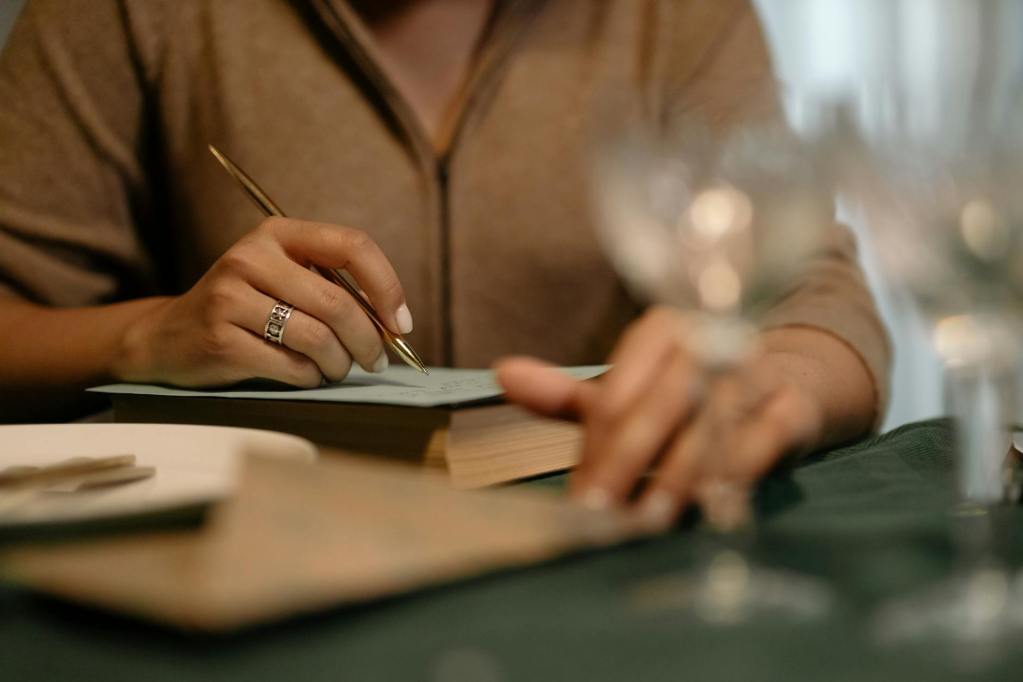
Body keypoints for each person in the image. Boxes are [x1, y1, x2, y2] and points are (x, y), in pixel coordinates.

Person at [0, 0, 888, 526]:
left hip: (596, 546)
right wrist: (144, 334)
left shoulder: (669, 14)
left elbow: (815, 291)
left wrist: (756, 385)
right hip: (243, 562)